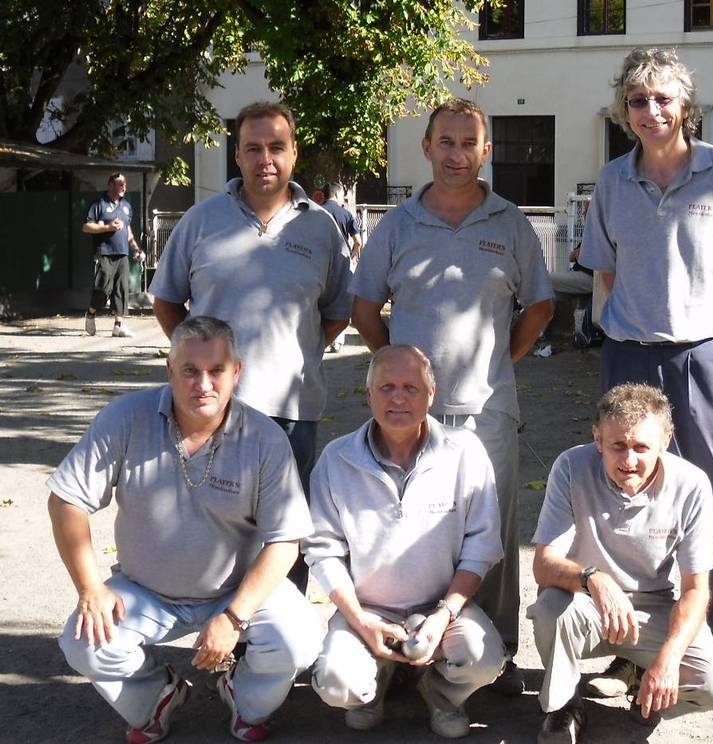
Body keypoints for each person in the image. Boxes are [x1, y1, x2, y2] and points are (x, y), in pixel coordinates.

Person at [577, 47, 713, 716]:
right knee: (622, 503)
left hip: (700, 358)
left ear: (685, 106)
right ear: (624, 109)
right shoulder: (611, 179)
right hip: (628, 355)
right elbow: (603, 274)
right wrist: (622, 332)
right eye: (639, 100)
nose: (651, 110)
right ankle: (630, 651)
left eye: (663, 98)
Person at [351, 99, 555, 693]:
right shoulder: (397, 224)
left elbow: (539, 307)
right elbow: (365, 309)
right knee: (404, 529)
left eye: (469, 143)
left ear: (486, 151)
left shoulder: (510, 223)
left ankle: (493, 653)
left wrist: (498, 363)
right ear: (427, 147)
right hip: (410, 416)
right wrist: (399, 378)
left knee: (490, 533)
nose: (457, 154)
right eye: (446, 141)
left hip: (487, 410)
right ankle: (397, 649)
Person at [49, 316, 322, 743]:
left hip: (235, 591)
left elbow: (286, 540)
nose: (204, 384)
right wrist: (90, 589)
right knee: (83, 642)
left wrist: (234, 617)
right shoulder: (126, 417)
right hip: (147, 590)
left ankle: (243, 694)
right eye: (190, 371)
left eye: (216, 371)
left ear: (237, 373)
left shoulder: (266, 438)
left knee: (300, 640)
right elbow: (67, 500)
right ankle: (158, 695)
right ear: (170, 370)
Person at [149, 102, 352, 591]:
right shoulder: (201, 222)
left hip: (291, 409)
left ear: (294, 153)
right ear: (236, 157)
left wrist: (294, 353)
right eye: (253, 148)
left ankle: (279, 649)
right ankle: (215, 641)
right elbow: (167, 299)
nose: (266, 158)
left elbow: (337, 311)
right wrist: (197, 366)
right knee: (210, 529)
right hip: (210, 407)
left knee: (286, 532)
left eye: (276, 147)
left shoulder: (322, 228)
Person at [304, 344, 507, 738]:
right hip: (367, 609)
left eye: (411, 388)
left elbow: (482, 547)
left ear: (431, 396)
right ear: (369, 396)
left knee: (485, 660)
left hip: (442, 607)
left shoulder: (465, 453)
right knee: (336, 685)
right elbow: (323, 550)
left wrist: (444, 614)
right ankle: (374, 684)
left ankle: (440, 693)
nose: (398, 397)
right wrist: (361, 620)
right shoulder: (336, 459)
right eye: (387, 387)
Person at [528, 383, 713, 743]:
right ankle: (565, 704)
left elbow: (695, 591)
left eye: (641, 447)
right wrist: (593, 578)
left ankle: (649, 689)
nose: (628, 461)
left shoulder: (691, 485)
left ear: (665, 442)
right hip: (585, 603)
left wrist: (669, 658)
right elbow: (544, 565)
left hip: (652, 606)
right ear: (597, 439)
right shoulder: (571, 467)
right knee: (550, 609)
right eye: (618, 446)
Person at [82, 172, 143, 338]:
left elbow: (128, 230)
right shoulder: (99, 204)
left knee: (121, 290)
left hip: (122, 253)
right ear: (110, 185)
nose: (124, 187)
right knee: (102, 289)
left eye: (125, 184)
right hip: (104, 252)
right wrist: (108, 227)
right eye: (120, 183)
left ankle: (118, 325)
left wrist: (136, 248)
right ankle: (91, 313)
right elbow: (87, 227)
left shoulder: (126, 206)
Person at [320, 182, 363, 352]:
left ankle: (319, 340)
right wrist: (352, 255)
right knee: (340, 302)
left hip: (320, 261)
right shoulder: (346, 214)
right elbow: (358, 241)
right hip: (341, 262)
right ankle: (337, 341)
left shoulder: (316, 213)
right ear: (338, 195)